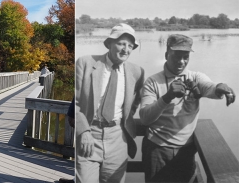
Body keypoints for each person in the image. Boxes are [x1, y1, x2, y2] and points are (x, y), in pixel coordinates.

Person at [139, 34, 236, 182]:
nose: (181, 62)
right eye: (176, 56)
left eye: (186, 57)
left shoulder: (196, 77)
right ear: (166, 55)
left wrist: (220, 87)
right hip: (157, 149)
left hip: (186, 150)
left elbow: (208, 86)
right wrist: (167, 97)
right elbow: (145, 118)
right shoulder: (152, 82)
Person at [75, 23, 144, 182]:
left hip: (117, 140)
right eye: (121, 43)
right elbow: (77, 103)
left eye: (130, 46)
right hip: (90, 136)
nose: (125, 49)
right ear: (109, 44)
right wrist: (84, 131)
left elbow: (135, 103)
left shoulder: (137, 72)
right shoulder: (85, 63)